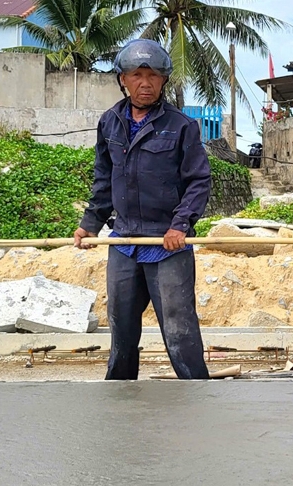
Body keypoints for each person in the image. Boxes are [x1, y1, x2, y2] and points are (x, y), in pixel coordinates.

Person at [74, 39, 212, 380]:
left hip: (167, 245)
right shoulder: (110, 123)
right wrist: (90, 223)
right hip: (124, 242)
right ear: (123, 79)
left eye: (152, 75)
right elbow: (103, 179)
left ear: (164, 80)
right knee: (121, 329)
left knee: (179, 331)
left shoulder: (181, 126)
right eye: (137, 74)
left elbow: (198, 181)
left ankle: (196, 393)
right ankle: (120, 395)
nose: (145, 83)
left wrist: (180, 226)